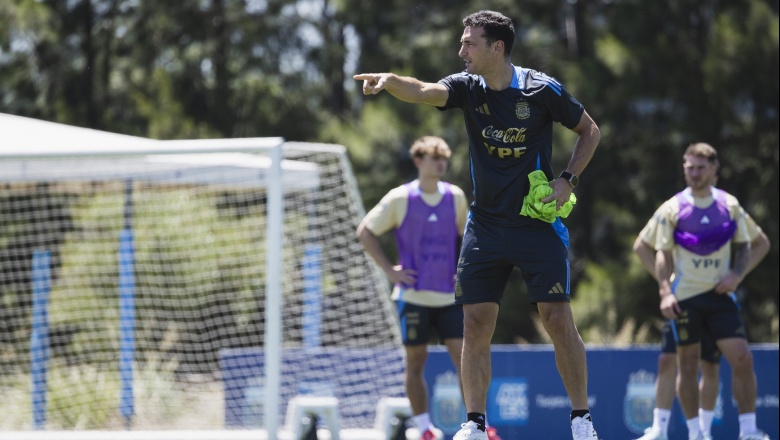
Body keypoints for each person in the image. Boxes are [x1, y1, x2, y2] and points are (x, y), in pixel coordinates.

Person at [354, 10, 601, 440]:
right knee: (475, 323)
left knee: (557, 318)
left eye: (469, 43)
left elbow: (590, 131)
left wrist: (567, 179)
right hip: (485, 226)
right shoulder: (468, 87)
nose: (461, 50)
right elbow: (426, 90)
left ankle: (581, 419)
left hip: (535, 225)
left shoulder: (541, 89)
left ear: (496, 48)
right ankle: (475, 422)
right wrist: (390, 80)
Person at [645, 142, 771, 440]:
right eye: (690, 168)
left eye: (701, 168)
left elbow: (754, 244)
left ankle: (749, 431)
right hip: (685, 298)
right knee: (686, 364)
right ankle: (695, 433)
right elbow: (660, 253)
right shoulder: (673, 207)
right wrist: (666, 292)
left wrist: (737, 275)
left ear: (715, 170)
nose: (695, 173)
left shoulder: (729, 205)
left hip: (720, 297)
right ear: (684, 169)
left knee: (741, 358)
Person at [357, 136, 472, 440]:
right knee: (415, 362)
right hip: (413, 297)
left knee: (465, 360)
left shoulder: (455, 197)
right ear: (418, 161)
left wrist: (463, 271)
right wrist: (389, 271)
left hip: (449, 298)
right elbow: (365, 232)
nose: (441, 163)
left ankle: (475, 425)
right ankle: (424, 429)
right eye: (435, 157)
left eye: (444, 157)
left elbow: (469, 237)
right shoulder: (400, 198)